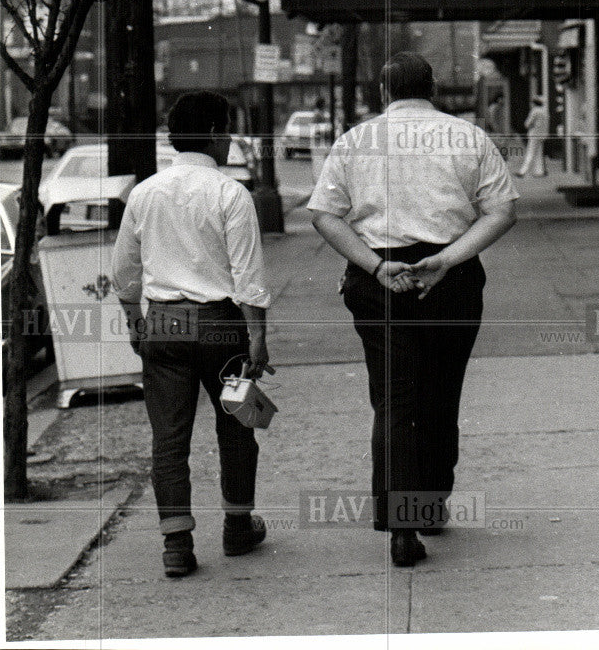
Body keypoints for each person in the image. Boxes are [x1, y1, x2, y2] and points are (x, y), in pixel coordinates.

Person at [308, 52, 517, 567]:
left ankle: (402, 527)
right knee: (442, 397)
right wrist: (445, 260)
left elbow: (325, 216)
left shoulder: (355, 142)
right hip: (451, 278)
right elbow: (503, 211)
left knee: (395, 401)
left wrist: (375, 266)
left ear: (383, 91)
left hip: (378, 280)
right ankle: (430, 504)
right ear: (433, 89)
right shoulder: (468, 137)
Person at [111, 91, 271, 579]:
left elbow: (124, 273)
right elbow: (248, 278)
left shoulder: (144, 193)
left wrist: (137, 325)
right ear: (217, 135)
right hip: (222, 327)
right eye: (228, 130)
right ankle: (237, 529)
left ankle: (177, 545)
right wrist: (258, 338)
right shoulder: (230, 194)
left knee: (169, 438)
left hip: (163, 323)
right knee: (238, 426)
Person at [516, 97, 549, 178]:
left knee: (530, 152)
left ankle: (523, 171)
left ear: (534, 103)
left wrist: (528, 125)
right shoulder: (545, 111)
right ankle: (539, 171)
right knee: (539, 153)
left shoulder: (534, 111)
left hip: (534, 134)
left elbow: (527, 123)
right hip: (542, 135)